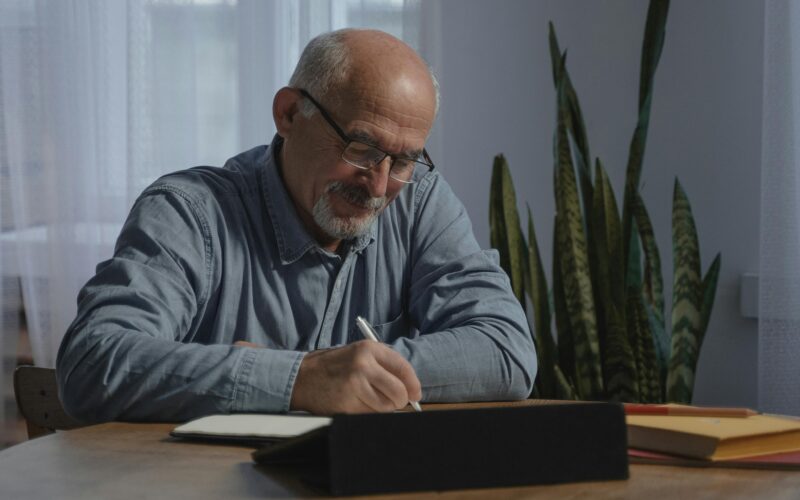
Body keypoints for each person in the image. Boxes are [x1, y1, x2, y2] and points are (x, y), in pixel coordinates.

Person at [56, 28, 537, 422]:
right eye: (361, 149)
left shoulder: (420, 204)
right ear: (288, 114)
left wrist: (346, 375)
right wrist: (300, 379)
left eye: (405, 160)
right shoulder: (189, 212)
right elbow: (93, 362)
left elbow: (506, 349)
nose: (379, 185)